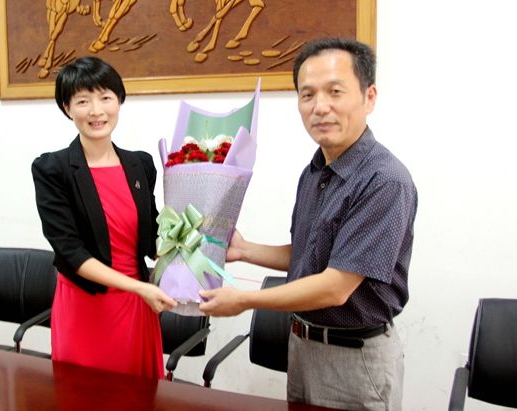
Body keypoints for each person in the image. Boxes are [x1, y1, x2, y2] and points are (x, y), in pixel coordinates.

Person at [199, 37, 418, 411]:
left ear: (369, 97)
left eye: (335, 92)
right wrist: (245, 250)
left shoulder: (384, 180)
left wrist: (245, 300)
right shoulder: (315, 170)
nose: (320, 107)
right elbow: (309, 256)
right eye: (307, 95)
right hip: (302, 345)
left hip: (354, 358)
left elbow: (335, 287)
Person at [32, 56, 177, 378]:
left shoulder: (140, 165)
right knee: (83, 393)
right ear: (68, 108)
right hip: (86, 303)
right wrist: (139, 288)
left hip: (137, 303)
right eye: (83, 101)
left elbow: (151, 238)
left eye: (105, 97)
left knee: (139, 394)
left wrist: (193, 241)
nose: (96, 111)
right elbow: (70, 251)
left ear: (119, 101)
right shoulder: (52, 169)